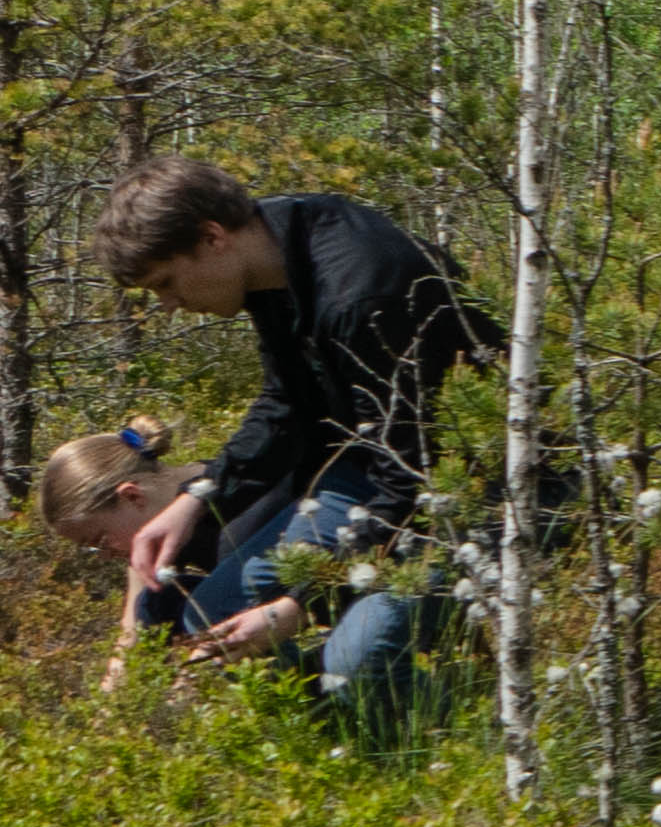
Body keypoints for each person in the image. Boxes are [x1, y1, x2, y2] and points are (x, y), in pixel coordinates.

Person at [87, 159, 500, 737]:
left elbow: (415, 482)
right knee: (212, 616)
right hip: (378, 466)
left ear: (212, 238)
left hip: (474, 490)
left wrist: (297, 606)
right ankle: (334, 728)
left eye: (166, 283)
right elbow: (288, 406)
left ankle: (470, 739)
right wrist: (197, 498)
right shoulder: (272, 252)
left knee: (358, 664)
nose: (170, 306)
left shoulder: (361, 293)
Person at [37, 409, 441, 720]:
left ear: (132, 497)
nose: (104, 554)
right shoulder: (158, 553)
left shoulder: (252, 491)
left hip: (376, 577)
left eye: (97, 541)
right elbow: (137, 634)